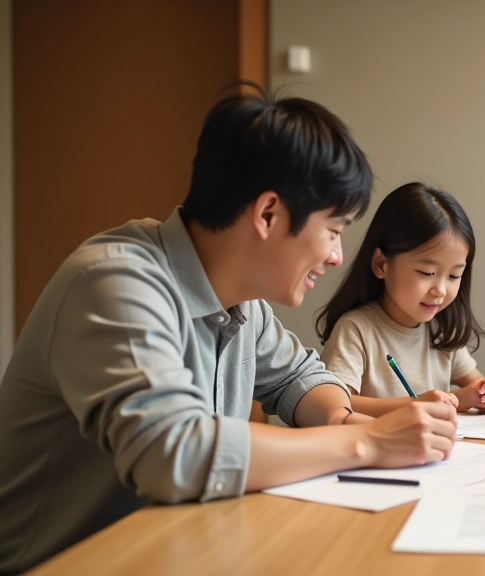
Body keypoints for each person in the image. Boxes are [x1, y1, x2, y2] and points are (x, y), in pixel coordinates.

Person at [0, 86, 457, 574]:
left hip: (174, 549)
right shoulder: (115, 283)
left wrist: (345, 422)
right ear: (267, 214)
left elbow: (297, 378)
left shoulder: (244, 303)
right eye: (334, 229)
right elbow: (172, 453)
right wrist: (368, 444)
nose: (336, 256)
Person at [317, 182, 485, 417]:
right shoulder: (356, 330)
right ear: (381, 264)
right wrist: (413, 405)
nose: (440, 290)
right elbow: (334, 404)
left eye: (455, 275)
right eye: (427, 273)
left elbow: (478, 386)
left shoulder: (441, 330)